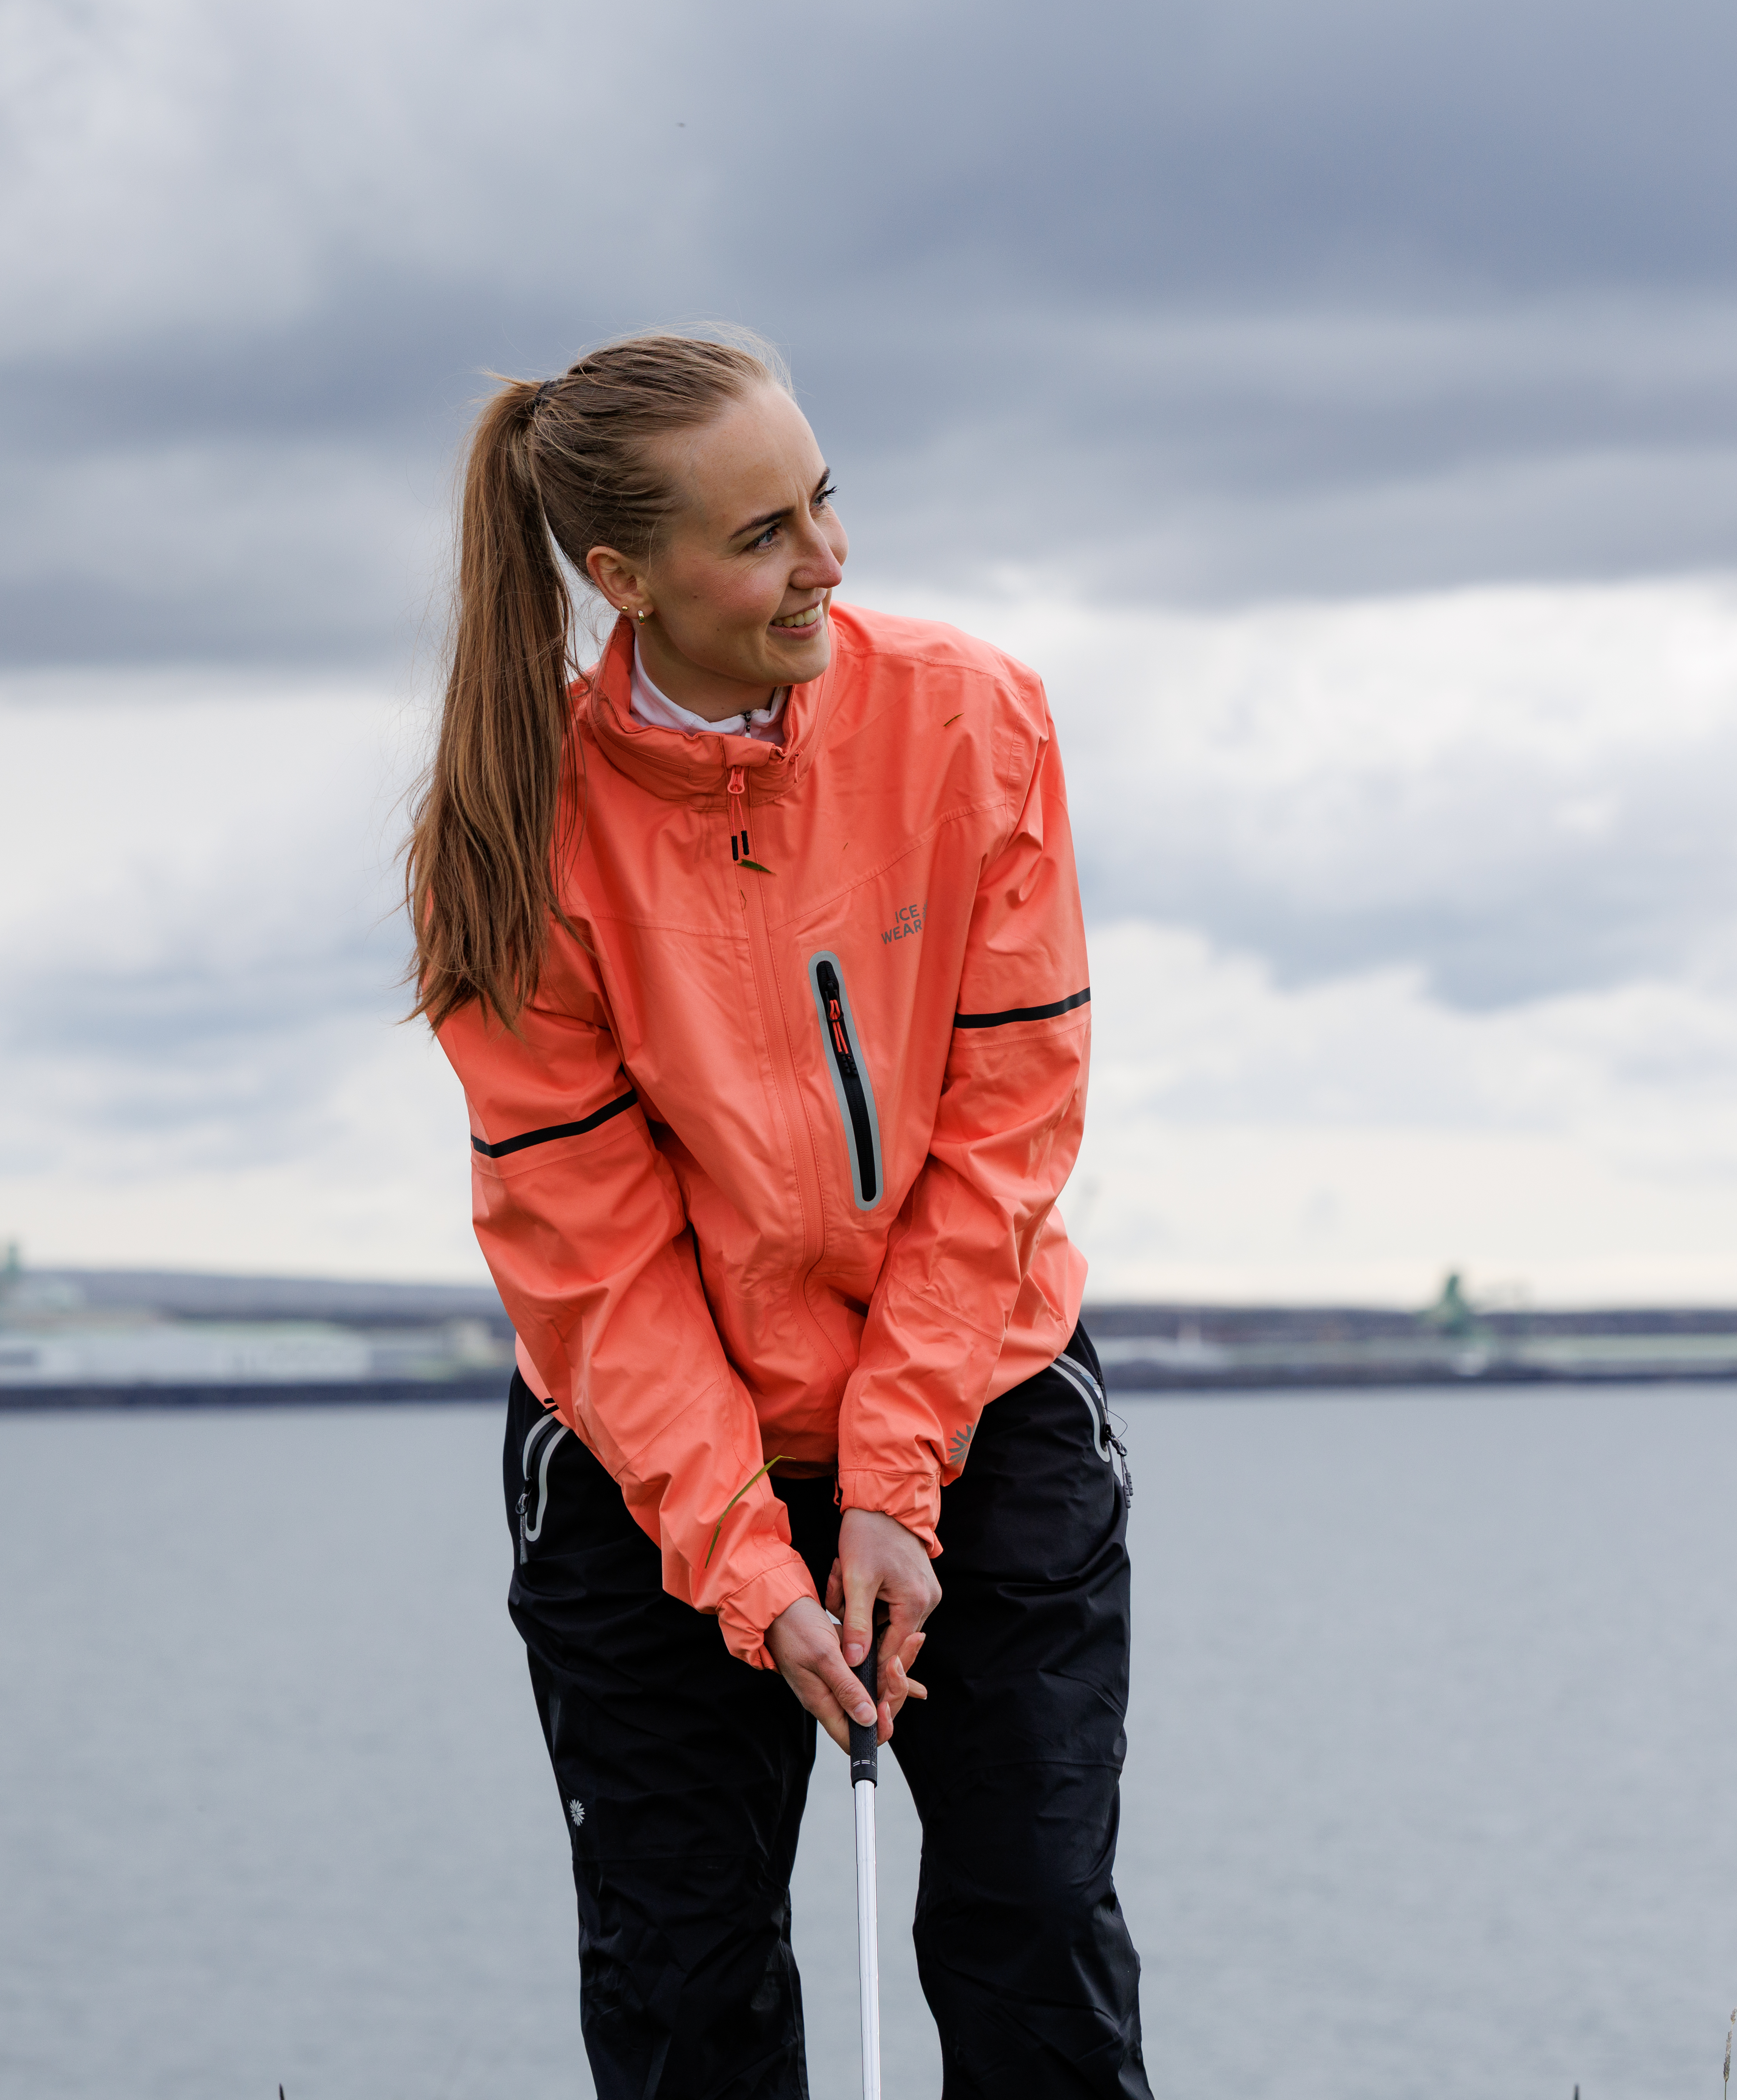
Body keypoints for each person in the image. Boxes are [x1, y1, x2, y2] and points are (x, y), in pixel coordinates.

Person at [406, 328, 1154, 2099]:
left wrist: (896, 1480)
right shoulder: (510, 840)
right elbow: (588, 1261)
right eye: (759, 537)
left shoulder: (975, 715)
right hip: (648, 1457)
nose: (826, 561)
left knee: (1031, 1928)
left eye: (823, 501)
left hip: (982, 1398)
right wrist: (752, 1569)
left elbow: (1006, 1122)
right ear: (622, 580)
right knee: (686, 1981)